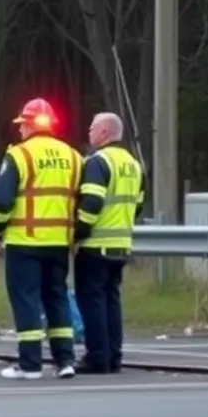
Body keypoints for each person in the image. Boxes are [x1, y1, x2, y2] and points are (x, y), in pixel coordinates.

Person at [0, 98, 81, 380]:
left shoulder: (19, 155)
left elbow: (3, 201)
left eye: (22, 125)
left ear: (29, 125)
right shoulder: (74, 156)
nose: (19, 131)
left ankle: (30, 364)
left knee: (26, 300)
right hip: (59, 242)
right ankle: (65, 360)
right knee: (57, 299)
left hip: (25, 242)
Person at [73, 112, 145, 374]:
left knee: (91, 300)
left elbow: (91, 203)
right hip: (121, 244)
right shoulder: (133, 164)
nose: (89, 133)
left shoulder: (98, 161)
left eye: (92, 129)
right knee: (111, 300)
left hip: (96, 244)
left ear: (104, 133)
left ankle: (97, 357)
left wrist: (78, 233)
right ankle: (114, 356)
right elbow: (138, 205)